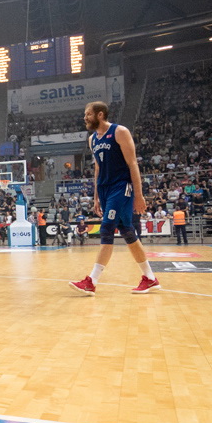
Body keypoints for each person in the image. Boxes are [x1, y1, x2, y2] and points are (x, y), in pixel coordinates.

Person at [70, 102, 161, 295]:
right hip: (104, 189)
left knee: (107, 229)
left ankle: (91, 281)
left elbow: (133, 163)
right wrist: (96, 196)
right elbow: (97, 168)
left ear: (100, 114)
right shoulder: (92, 139)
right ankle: (150, 278)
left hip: (121, 186)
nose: (84, 118)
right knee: (127, 232)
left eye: (88, 114)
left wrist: (139, 194)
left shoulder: (119, 131)